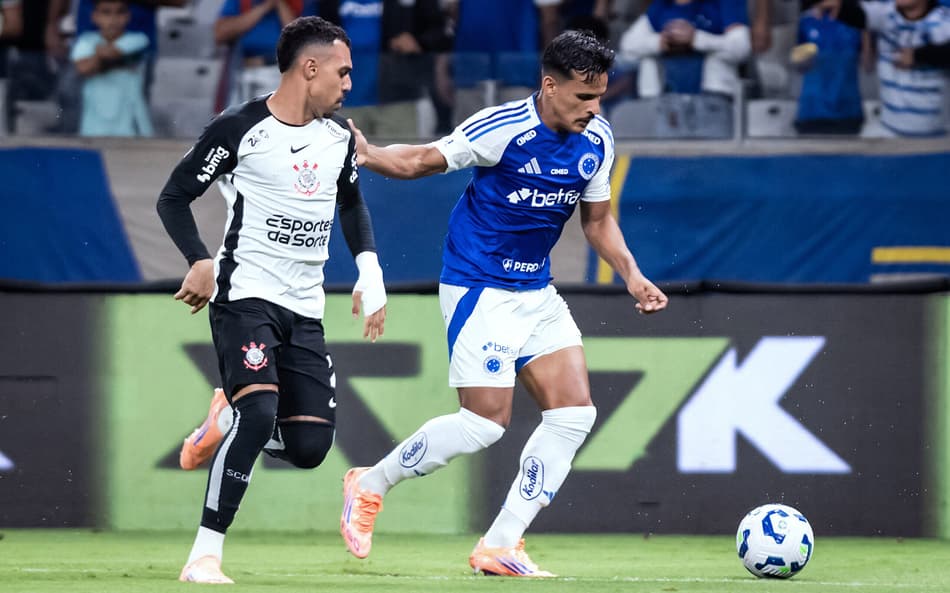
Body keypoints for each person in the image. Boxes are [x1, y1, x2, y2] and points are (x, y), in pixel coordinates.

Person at [338, 29, 668, 577]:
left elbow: (597, 221)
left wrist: (631, 274)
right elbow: (421, 160)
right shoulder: (502, 128)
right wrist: (369, 153)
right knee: (484, 424)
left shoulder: (598, 138)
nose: (594, 108)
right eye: (584, 96)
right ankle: (369, 483)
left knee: (574, 415)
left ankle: (500, 544)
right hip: (479, 286)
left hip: (535, 290)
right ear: (550, 86)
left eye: (600, 96)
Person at [156, 16, 387, 584]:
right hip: (244, 296)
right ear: (309, 68)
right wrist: (200, 260)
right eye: (342, 72)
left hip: (305, 309)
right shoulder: (238, 128)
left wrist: (370, 268)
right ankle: (204, 555)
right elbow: (173, 197)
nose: (349, 83)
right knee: (259, 415)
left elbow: (350, 204)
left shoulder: (339, 138)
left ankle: (224, 415)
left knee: (309, 447)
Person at [805, 0, 950, 137]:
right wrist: (839, 5)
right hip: (888, 133)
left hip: (933, 138)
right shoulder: (885, 14)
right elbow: (857, 13)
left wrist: (918, 56)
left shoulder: (944, 21)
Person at [71, 0, 154, 137]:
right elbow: (83, 69)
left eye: (120, 12)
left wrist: (98, 56)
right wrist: (112, 60)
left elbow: (109, 53)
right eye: (106, 12)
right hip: (94, 125)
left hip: (130, 125)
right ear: (95, 16)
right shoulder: (85, 40)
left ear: (128, 16)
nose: (113, 19)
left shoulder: (138, 39)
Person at [790, 4, 868, 134]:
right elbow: (798, 66)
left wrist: (864, 27)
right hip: (811, 112)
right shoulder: (805, 21)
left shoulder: (857, 20)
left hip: (848, 112)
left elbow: (868, 65)